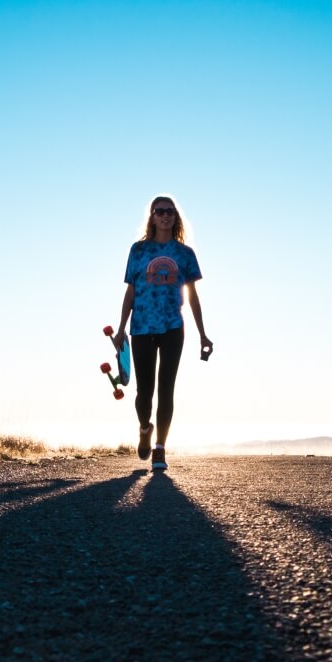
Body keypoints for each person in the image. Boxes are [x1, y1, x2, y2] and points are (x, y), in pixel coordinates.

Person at [114, 196, 213, 470]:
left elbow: (192, 295)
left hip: (173, 328)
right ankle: (145, 428)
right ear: (152, 216)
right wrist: (121, 329)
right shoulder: (138, 251)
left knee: (166, 388)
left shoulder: (184, 254)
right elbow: (131, 291)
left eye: (170, 211)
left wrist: (203, 334)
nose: (165, 216)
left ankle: (160, 448)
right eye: (160, 211)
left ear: (175, 216)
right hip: (142, 327)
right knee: (144, 392)